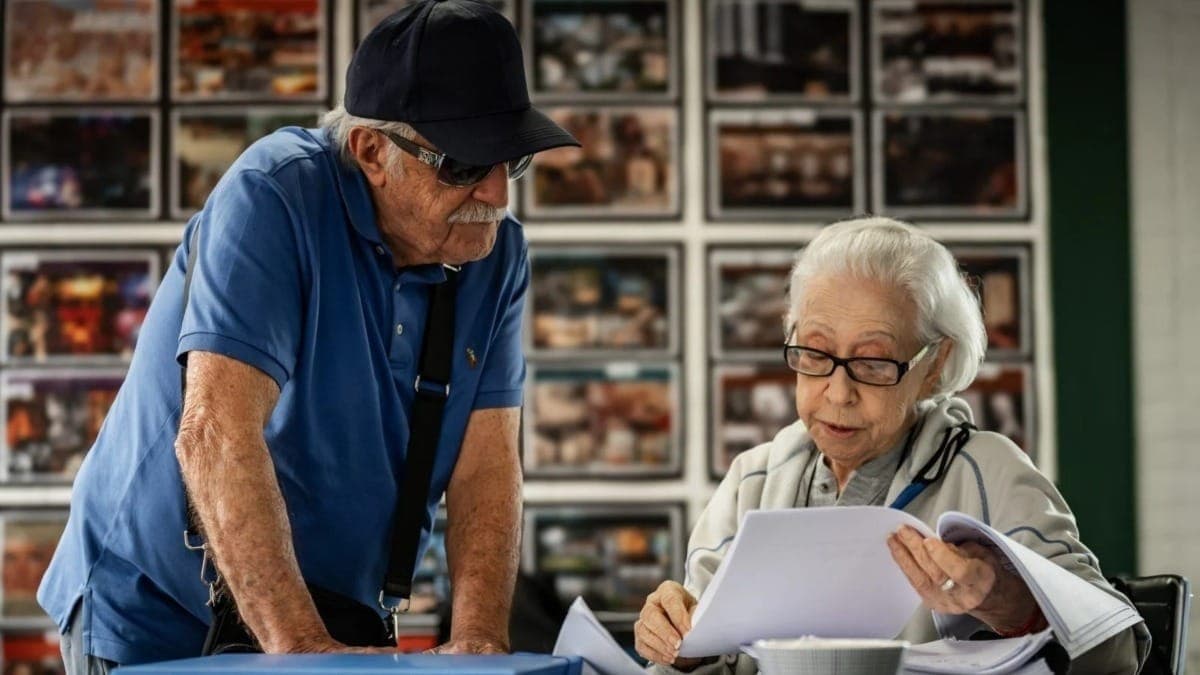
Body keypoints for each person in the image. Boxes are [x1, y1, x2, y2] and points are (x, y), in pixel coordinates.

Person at [36, 1, 579, 672]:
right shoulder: (274, 196)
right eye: (464, 165)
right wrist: (302, 653)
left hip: (333, 611)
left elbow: (486, 465)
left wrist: (478, 644)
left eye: (510, 160)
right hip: (158, 609)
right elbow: (216, 430)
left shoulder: (495, 253)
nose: (496, 192)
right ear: (373, 151)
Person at [634, 217, 1149, 674]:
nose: (838, 392)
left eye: (874, 363)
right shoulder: (754, 478)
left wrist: (1005, 601)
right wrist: (680, 648)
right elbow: (696, 651)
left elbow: (1116, 654)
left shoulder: (987, 471)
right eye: (814, 353)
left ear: (933, 366)